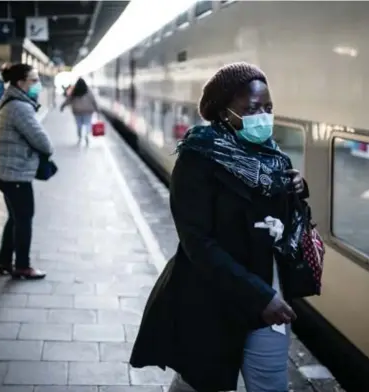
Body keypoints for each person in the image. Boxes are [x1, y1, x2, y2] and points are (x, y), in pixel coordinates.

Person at [129, 62, 312, 392]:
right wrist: (259, 296)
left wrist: (297, 189)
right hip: (211, 297)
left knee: (270, 384)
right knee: (201, 382)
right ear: (224, 111)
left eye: (268, 107)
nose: (264, 116)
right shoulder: (197, 159)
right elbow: (196, 241)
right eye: (252, 108)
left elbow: (280, 225)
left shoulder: (272, 157)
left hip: (267, 294)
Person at [0, 63, 54, 280]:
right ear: (21, 83)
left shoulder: (8, 100)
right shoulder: (20, 107)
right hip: (14, 174)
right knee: (24, 218)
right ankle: (22, 266)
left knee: (15, 218)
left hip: (4, 171)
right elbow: (44, 143)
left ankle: (4, 262)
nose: (38, 85)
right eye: (34, 81)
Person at [60, 77, 98, 145]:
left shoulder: (74, 92)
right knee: (88, 123)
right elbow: (93, 100)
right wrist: (97, 109)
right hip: (88, 111)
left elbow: (68, 100)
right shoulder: (88, 91)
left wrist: (62, 106)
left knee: (79, 125)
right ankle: (87, 134)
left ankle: (80, 137)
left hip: (77, 111)